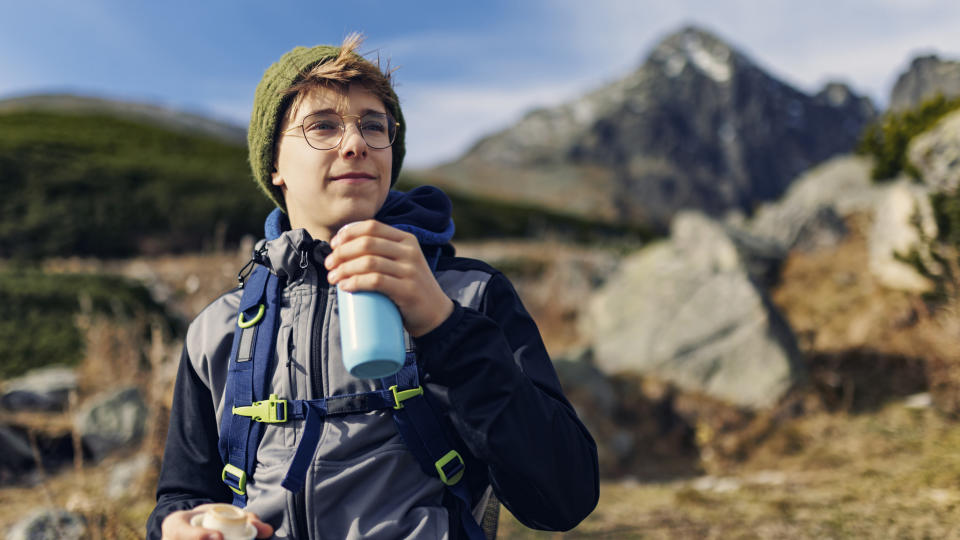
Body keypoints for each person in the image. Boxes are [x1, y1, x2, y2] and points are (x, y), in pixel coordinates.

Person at [147, 34, 599, 540]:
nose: (356, 142)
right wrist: (174, 527)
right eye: (322, 125)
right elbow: (182, 495)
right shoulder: (219, 328)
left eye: (373, 126)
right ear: (274, 164)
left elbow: (566, 498)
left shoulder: (471, 295)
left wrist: (443, 326)